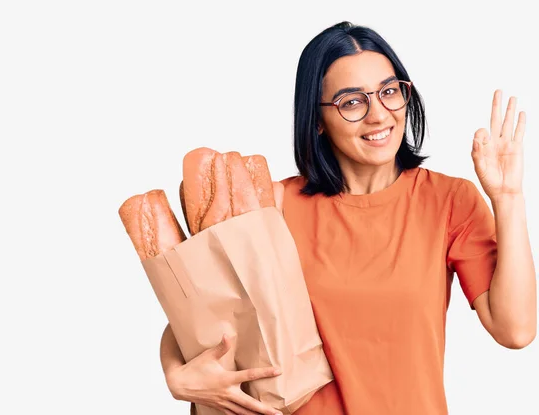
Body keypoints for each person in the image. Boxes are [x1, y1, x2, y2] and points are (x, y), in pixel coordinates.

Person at [159, 21, 537, 415]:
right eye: (352, 101)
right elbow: (207, 311)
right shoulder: (275, 204)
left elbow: (515, 329)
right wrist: (175, 373)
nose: (379, 115)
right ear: (317, 119)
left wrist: (508, 197)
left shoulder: (448, 201)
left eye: (390, 92)